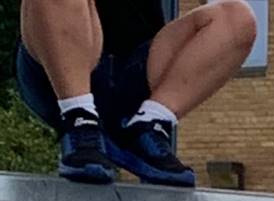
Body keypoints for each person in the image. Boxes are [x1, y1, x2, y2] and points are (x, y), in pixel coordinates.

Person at [16, 0, 256, 189]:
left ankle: (148, 125)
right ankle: (79, 120)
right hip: (56, 69)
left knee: (238, 18)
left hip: (136, 69)